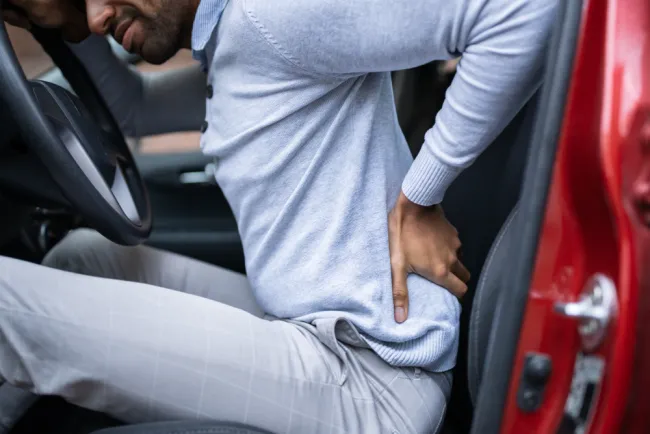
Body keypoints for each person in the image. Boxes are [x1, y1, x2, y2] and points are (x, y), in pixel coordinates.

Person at [1, 0, 557, 432]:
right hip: (313, 329)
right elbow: (134, 109)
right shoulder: (234, 44)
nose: (98, 15)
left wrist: (421, 196)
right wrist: (60, 19)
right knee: (81, 258)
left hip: (371, 381)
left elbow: (524, 13)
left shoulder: (276, 16)